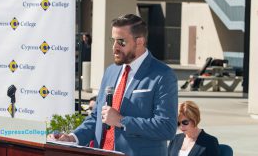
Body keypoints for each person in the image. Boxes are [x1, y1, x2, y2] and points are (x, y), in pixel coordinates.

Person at [48, 14, 178, 155]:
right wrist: (73, 137)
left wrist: (122, 121)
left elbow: (167, 128)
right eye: (113, 40)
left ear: (139, 42)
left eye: (121, 42)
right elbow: (97, 117)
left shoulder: (163, 75)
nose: (114, 47)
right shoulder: (111, 71)